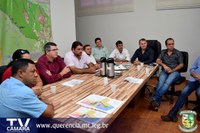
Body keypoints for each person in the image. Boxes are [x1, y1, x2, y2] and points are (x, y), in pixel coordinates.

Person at [161, 56, 200, 122]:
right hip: (194, 79)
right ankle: (172, 114)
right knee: (183, 93)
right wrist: (195, 75)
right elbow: (192, 69)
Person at [150, 38, 184, 111]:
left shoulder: (178, 53)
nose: (171, 45)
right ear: (166, 45)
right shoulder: (163, 52)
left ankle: (154, 99)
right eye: (169, 44)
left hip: (175, 72)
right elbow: (157, 60)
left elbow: (181, 65)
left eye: (172, 44)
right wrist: (164, 65)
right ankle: (156, 104)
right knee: (160, 83)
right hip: (165, 71)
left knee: (167, 83)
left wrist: (172, 70)